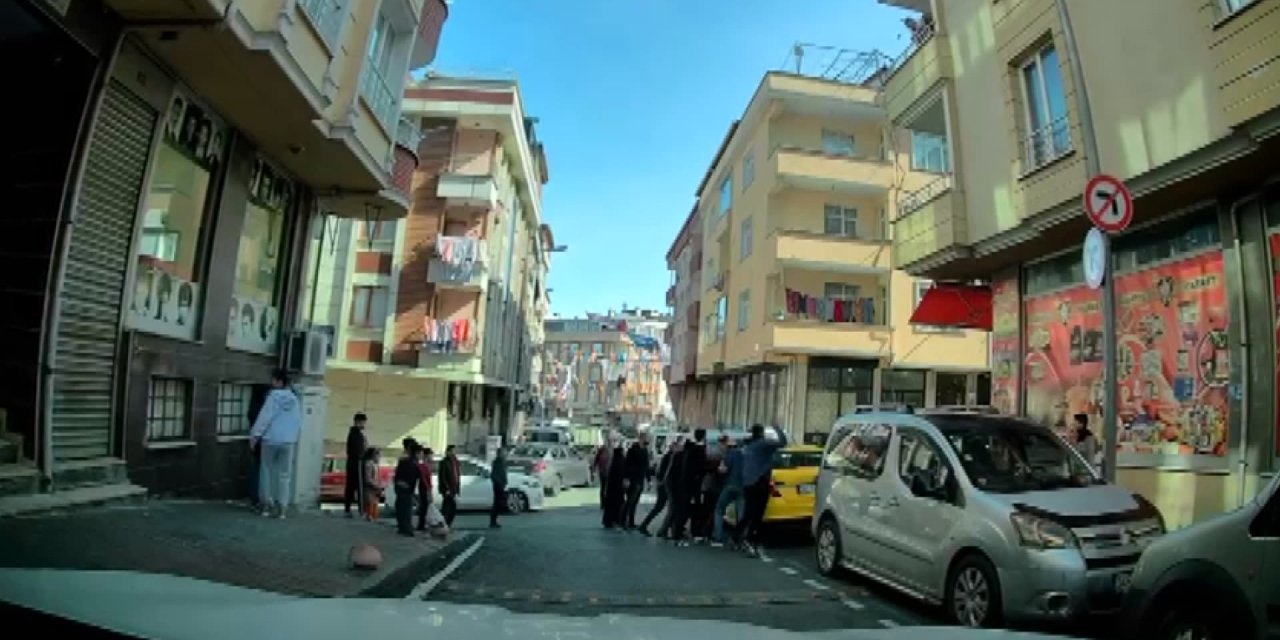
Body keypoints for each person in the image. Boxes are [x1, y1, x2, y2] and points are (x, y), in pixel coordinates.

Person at [249, 369, 302, 519]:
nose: (271, 383)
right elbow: (298, 421)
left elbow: (264, 418)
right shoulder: (294, 399)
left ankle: (266, 505)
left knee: (266, 471)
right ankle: (282, 509)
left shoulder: (273, 397)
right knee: (284, 475)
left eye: (273, 380)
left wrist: (254, 436)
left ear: (279, 381)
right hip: (288, 441)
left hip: (271, 439)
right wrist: (293, 437)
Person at [735, 424, 788, 556]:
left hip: (748, 483)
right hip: (759, 482)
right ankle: (750, 540)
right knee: (758, 514)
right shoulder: (763, 444)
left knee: (748, 513)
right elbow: (783, 442)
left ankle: (737, 538)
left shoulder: (748, 447)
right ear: (762, 433)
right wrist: (777, 428)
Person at [672, 429, 708, 546]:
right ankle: (683, 534)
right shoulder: (699, 451)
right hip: (693, 486)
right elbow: (701, 468)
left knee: (687, 509)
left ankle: (680, 533)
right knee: (690, 510)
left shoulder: (689, 450)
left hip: (685, 484)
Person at [712, 438, 745, 546]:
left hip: (729, 485)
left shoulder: (729, 455)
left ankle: (718, 538)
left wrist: (718, 469)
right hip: (742, 487)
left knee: (719, 510)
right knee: (741, 514)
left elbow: (723, 470)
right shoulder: (745, 456)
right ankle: (739, 539)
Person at [638, 439, 675, 536]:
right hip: (664, 485)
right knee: (663, 507)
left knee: (660, 507)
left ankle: (646, 526)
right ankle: (661, 529)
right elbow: (665, 471)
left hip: (662, 484)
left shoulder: (667, 456)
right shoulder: (670, 457)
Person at [393, 440, 422, 536]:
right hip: (406, 488)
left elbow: (397, 476)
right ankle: (406, 528)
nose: (421, 455)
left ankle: (402, 527)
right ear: (416, 453)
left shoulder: (406, 461)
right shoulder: (411, 463)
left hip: (403, 488)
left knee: (402, 508)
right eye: (420, 453)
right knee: (406, 509)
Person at [622, 435, 650, 529]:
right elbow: (627, 464)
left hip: (640, 479)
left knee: (634, 502)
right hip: (633, 478)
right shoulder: (633, 450)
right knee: (630, 501)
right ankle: (623, 520)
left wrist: (648, 479)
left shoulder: (644, 450)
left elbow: (646, 466)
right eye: (645, 439)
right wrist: (626, 478)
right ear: (641, 439)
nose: (646, 441)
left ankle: (631, 521)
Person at [344, 412, 368, 517]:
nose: (364, 425)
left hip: (355, 463)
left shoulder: (357, 434)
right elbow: (358, 451)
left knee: (355, 487)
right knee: (355, 487)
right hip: (356, 464)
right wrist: (363, 456)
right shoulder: (355, 434)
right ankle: (355, 509)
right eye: (363, 422)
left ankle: (356, 509)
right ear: (358, 422)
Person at [601, 439, 627, 530]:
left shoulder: (614, 461)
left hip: (612, 488)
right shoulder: (620, 462)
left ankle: (609, 521)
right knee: (617, 505)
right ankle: (615, 522)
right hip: (617, 488)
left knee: (611, 505)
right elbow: (620, 475)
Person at [438, 445, 461, 526]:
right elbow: (442, 477)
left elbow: (457, 475)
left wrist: (457, 489)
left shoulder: (456, 462)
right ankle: (444, 523)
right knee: (449, 507)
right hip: (447, 489)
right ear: (448, 452)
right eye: (452, 451)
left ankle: (446, 523)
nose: (453, 453)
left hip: (454, 488)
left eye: (454, 451)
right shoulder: (444, 462)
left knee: (450, 507)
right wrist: (446, 488)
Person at [416, 447, 435, 532]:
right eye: (431, 455)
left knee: (425, 506)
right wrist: (428, 489)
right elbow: (424, 478)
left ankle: (422, 524)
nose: (432, 457)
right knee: (424, 506)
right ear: (427, 455)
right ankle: (421, 525)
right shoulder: (423, 466)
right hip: (424, 488)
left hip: (426, 487)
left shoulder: (427, 465)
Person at [489, 446, 508, 529]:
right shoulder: (497, 462)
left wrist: (505, 482)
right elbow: (494, 475)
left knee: (498, 503)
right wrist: (500, 483)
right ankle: (493, 521)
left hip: (501, 484)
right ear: (500, 453)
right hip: (498, 485)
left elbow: (503, 473)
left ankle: (494, 521)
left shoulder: (502, 461)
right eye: (504, 452)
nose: (505, 454)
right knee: (497, 504)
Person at [361, 447, 382, 522]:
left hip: (374, 491)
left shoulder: (374, 464)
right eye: (379, 456)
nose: (380, 458)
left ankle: (372, 518)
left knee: (374, 511)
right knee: (370, 510)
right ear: (374, 455)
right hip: (370, 491)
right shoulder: (369, 464)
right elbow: (368, 479)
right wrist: (377, 486)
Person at [593, 441, 612, 509]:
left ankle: (605, 503)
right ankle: (604, 503)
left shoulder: (610, 450)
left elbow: (596, 461)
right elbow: (596, 461)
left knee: (606, 488)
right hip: (604, 472)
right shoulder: (603, 451)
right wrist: (594, 470)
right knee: (604, 488)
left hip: (608, 472)